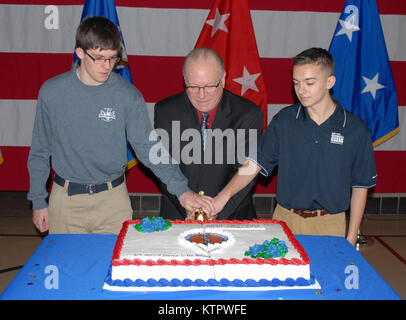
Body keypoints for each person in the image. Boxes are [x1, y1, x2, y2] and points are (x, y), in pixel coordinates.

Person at [27, 16, 214, 234]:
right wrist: (39, 200)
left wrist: (182, 191)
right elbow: (40, 150)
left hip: (112, 201)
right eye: (99, 58)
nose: (107, 66)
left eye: (113, 58)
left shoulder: (127, 95)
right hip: (65, 200)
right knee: (67, 266)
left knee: (115, 266)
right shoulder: (52, 92)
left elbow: (149, 148)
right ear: (80, 53)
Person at [213, 47, 377, 246]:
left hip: (330, 223)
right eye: (296, 83)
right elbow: (255, 164)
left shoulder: (355, 129)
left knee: (324, 277)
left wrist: (351, 236)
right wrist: (222, 197)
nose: (301, 90)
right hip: (285, 219)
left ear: (329, 82)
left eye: (309, 83)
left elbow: (360, 187)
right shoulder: (285, 120)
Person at [154, 47, 263, 220]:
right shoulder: (165, 111)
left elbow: (247, 170)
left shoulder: (248, 114)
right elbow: (164, 166)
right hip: (178, 214)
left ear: (223, 79)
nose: (201, 95)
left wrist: (214, 211)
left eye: (210, 86)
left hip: (232, 216)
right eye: (194, 86)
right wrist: (188, 206)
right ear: (184, 80)